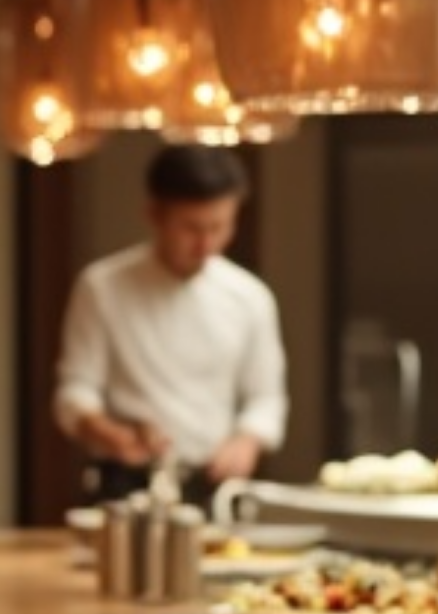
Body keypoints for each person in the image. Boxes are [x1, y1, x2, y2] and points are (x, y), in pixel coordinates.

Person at [53, 141, 287, 498]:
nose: (206, 244)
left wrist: (246, 441)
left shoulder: (249, 297)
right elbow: (75, 389)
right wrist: (104, 430)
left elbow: (267, 398)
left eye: (219, 227)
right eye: (191, 228)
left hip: (214, 482)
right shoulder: (103, 287)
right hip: (126, 482)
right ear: (154, 215)